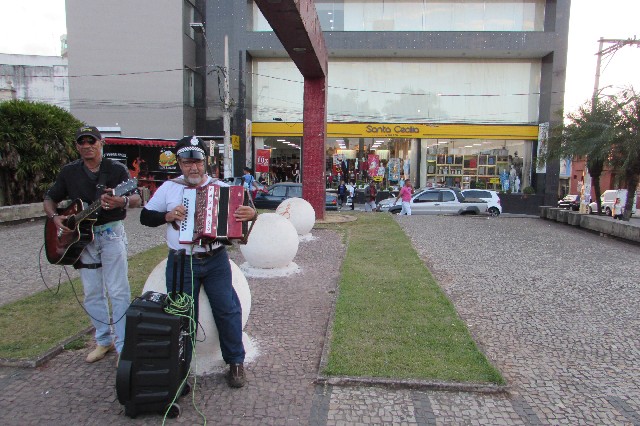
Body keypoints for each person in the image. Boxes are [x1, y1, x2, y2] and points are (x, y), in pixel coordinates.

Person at [140, 136, 257, 388]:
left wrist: (252, 213)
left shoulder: (220, 187)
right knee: (181, 314)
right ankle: (180, 368)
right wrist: (168, 215)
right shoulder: (169, 188)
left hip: (215, 258)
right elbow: (145, 217)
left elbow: (244, 213)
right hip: (182, 260)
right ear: (179, 164)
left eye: (198, 162)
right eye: (186, 163)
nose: (193, 168)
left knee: (228, 309)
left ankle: (235, 363)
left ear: (206, 162)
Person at [43, 126, 141, 363]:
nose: (87, 146)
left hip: (111, 235)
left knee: (118, 291)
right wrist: (55, 218)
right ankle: (103, 340)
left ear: (101, 143)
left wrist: (121, 200)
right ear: (77, 146)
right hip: (83, 241)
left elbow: (137, 198)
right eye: (82, 142)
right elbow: (49, 198)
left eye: (91, 141)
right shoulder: (69, 172)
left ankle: (123, 344)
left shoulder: (115, 170)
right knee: (92, 293)